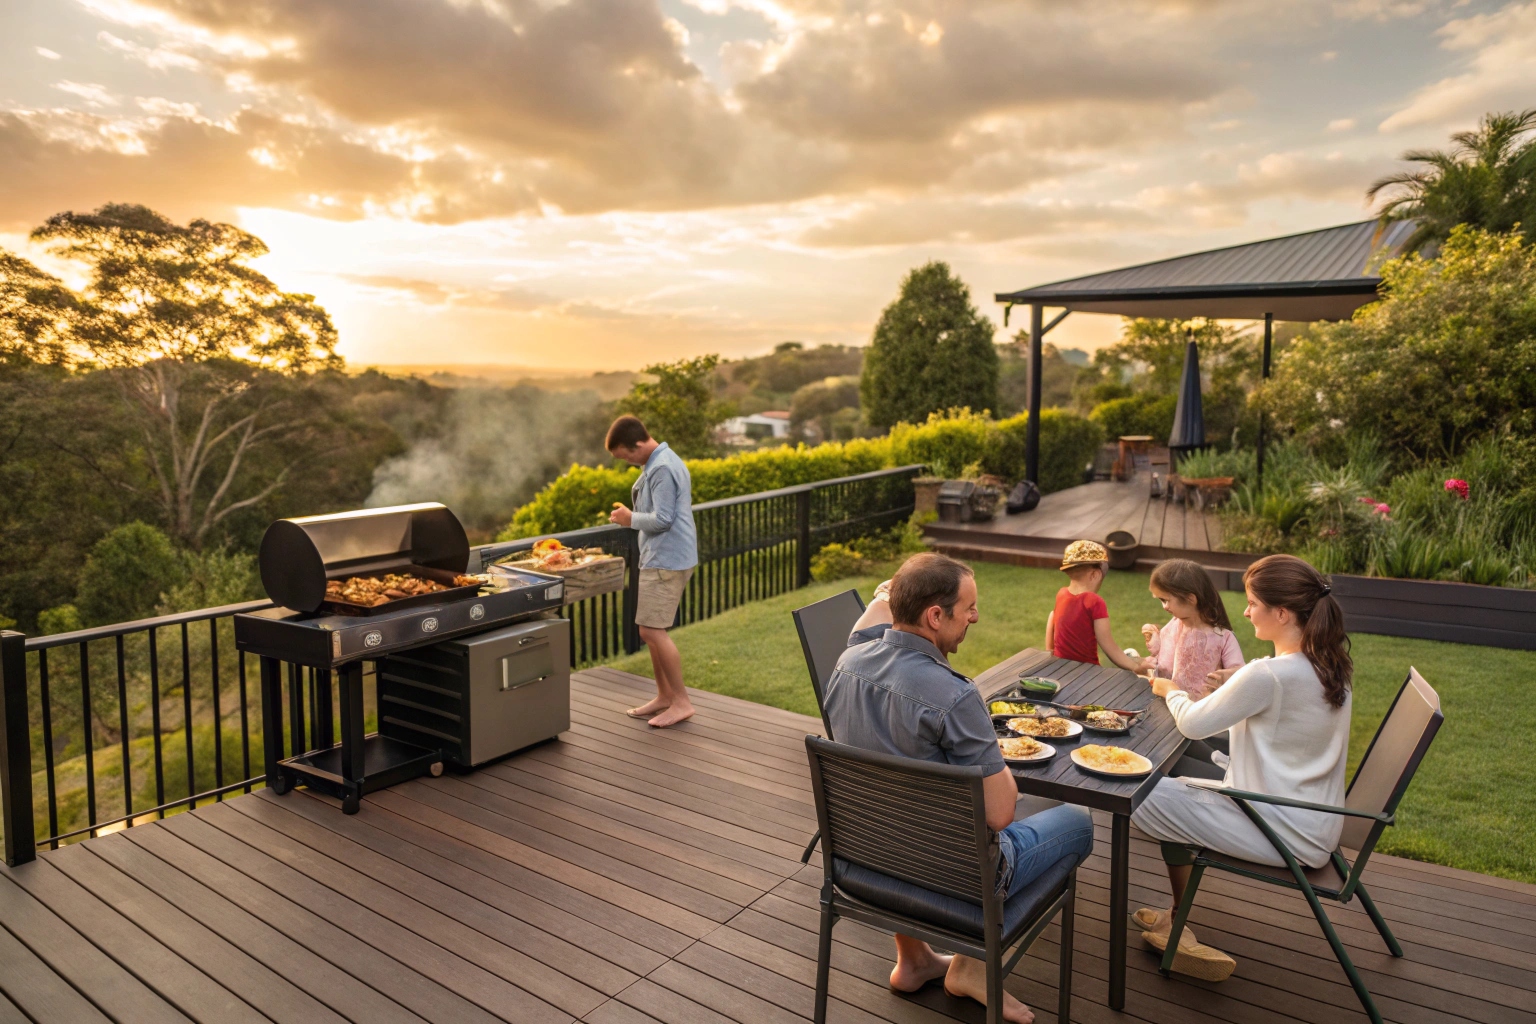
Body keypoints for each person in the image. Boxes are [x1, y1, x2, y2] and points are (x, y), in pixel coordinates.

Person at [825, 553, 1094, 1024]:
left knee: (897, 803)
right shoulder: (955, 695)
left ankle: (914, 961)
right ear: (935, 615)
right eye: (968, 607)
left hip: (862, 863)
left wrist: (894, 592)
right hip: (956, 880)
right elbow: (1000, 814)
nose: (975, 616)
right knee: (1077, 819)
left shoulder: (847, 663)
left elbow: (868, 628)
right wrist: (988, 747)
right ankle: (972, 966)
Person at [1130, 554, 1354, 982]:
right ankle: (1177, 916)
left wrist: (1172, 690)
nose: (1247, 611)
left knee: (1140, 790)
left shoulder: (1269, 674)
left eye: (1253, 603)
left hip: (1279, 826)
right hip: (1312, 818)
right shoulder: (1330, 663)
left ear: (1282, 613)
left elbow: (1194, 721)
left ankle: (1178, 924)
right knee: (1174, 773)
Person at [606, 415, 698, 727]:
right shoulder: (661, 460)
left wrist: (629, 518)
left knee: (652, 631)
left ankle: (681, 701)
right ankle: (665, 696)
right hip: (664, 556)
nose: (629, 463)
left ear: (637, 444)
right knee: (650, 630)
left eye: (627, 456)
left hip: (666, 559)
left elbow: (663, 519)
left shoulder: (661, 467)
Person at [1044, 540, 1151, 673]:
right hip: (1087, 672)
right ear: (1096, 574)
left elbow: (1052, 617)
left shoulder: (1061, 594)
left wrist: (1050, 653)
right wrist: (1135, 667)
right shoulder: (1094, 601)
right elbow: (1108, 645)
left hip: (1061, 667)